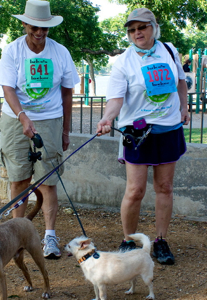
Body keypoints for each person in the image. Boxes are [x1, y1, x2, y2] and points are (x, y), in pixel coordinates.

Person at [97, 8, 190, 265]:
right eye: (132, 29)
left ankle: (160, 241)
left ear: (154, 27)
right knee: (135, 190)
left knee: (165, 188)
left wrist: (184, 107)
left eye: (142, 27)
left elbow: (180, 81)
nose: (137, 33)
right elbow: (115, 100)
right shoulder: (124, 62)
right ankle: (128, 241)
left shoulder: (169, 50)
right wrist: (107, 118)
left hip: (169, 128)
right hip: (137, 133)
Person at [0, 0, 79, 259]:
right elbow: (8, 88)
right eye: (34, 27)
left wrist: (65, 130)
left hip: (50, 119)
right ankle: (17, 237)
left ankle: (49, 237)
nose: (40, 33)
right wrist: (22, 117)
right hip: (15, 118)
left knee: (48, 181)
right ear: (24, 24)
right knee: (18, 179)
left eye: (44, 28)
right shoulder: (12, 50)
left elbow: (67, 92)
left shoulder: (60, 52)